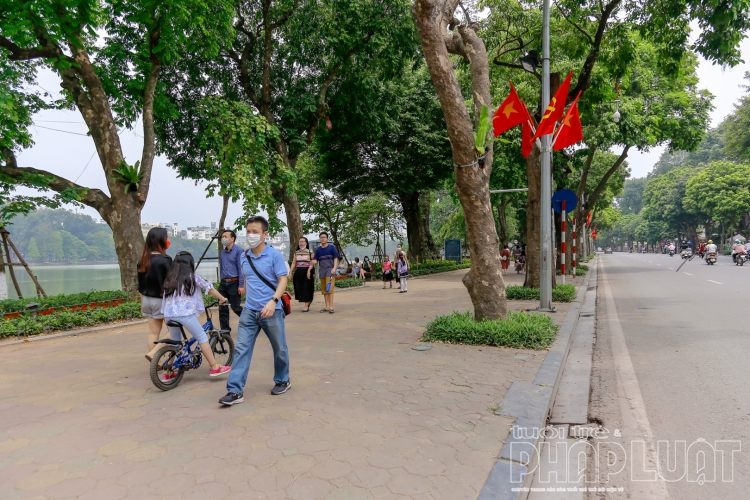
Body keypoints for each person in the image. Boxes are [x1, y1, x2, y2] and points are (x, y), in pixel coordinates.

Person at [220, 216, 291, 405]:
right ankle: (235, 390)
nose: (251, 235)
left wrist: (273, 301)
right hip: (250, 311)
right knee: (242, 349)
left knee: (279, 348)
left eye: (255, 232)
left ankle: (283, 379)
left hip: (271, 310)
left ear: (265, 234)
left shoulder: (274, 255)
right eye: (248, 231)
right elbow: (246, 278)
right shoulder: (244, 256)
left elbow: (283, 280)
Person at [161, 252, 231, 381]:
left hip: (168, 315)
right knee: (202, 337)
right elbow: (209, 288)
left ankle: (168, 372)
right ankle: (214, 366)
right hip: (184, 315)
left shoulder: (170, 278)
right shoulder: (192, 277)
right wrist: (222, 298)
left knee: (176, 343)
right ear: (190, 264)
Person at [139, 227, 173, 361]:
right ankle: (155, 353)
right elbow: (172, 282)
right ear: (160, 240)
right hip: (162, 300)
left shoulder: (143, 259)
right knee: (174, 331)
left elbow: (140, 286)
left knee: (153, 332)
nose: (167, 240)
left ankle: (155, 362)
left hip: (146, 300)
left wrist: (142, 303)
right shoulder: (165, 260)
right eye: (166, 237)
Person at [218, 230, 245, 334]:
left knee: (236, 307)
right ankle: (225, 330)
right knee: (222, 307)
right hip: (223, 283)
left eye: (225, 236)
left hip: (234, 282)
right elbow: (221, 268)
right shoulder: (222, 253)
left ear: (232, 239)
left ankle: (251, 322)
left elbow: (241, 268)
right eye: (222, 236)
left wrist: (241, 285)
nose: (223, 238)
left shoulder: (239, 251)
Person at [310, 231, 339, 314]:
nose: (322, 239)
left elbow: (336, 258)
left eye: (324, 237)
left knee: (329, 289)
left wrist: (334, 268)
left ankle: (331, 307)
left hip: (330, 270)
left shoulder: (332, 248)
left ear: (327, 238)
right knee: (324, 290)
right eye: (321, 237)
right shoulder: (318, 250)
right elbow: (316, 260)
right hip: (322, 271)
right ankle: (327, 307)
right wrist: (311, 260)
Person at [290, 237, 314, 312]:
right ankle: (307, 301)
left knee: (306, 288)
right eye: (300, 241)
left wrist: (309, 271)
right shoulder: (296, 252)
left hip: (307, 271)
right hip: (298, 271)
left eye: (303, 241)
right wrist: (290, 272)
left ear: (306, 243)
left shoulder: (310, 252)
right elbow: (294, 263)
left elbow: (312, 263)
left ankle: (306, 305)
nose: (301, 243)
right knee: (298, 288)